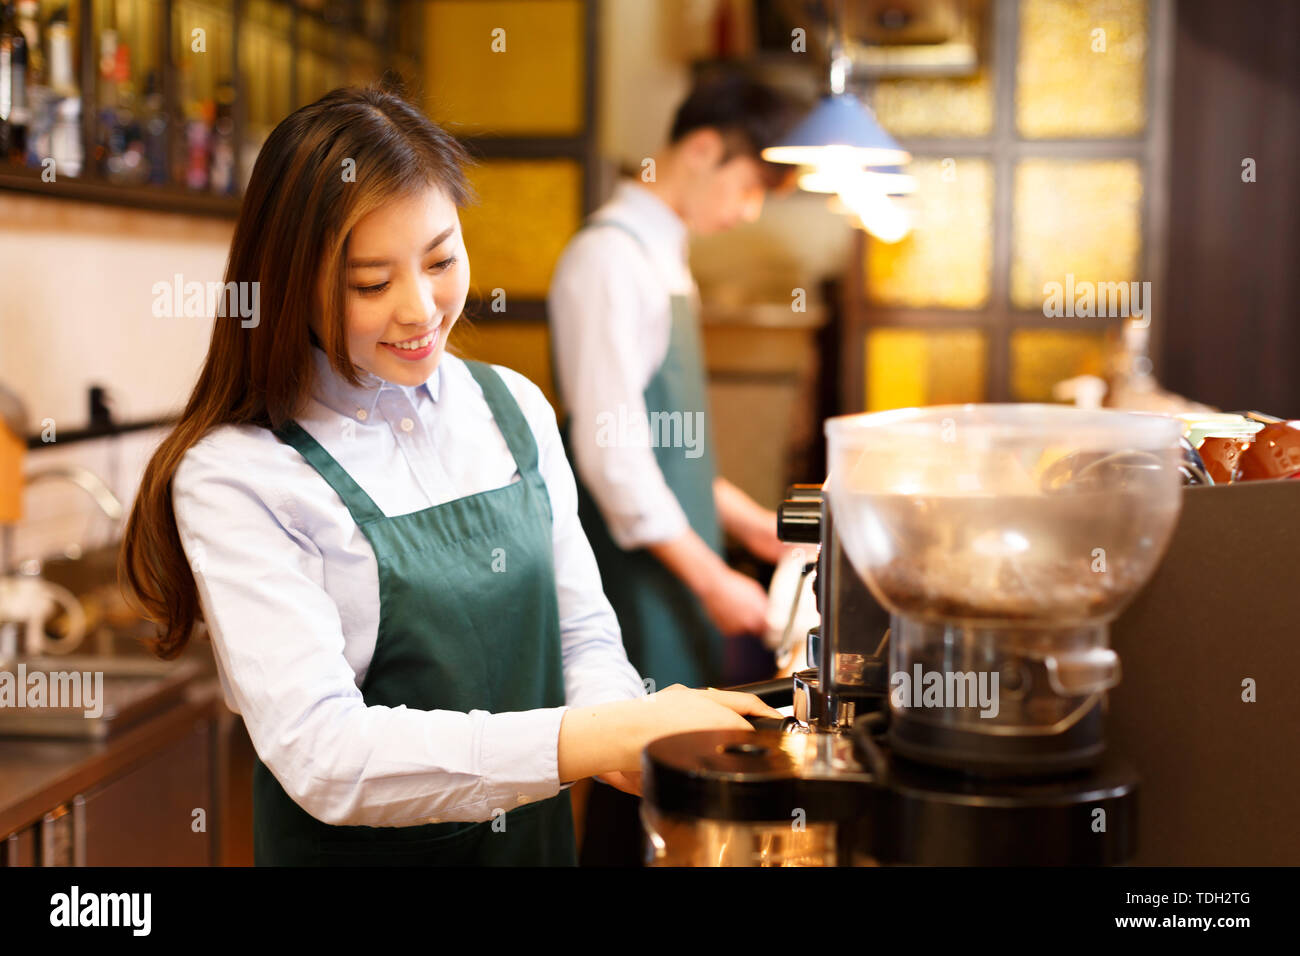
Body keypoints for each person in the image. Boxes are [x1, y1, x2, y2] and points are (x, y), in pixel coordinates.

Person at [120, 86, 780, 867]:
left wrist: (616, 729)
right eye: (371, 282)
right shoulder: (239, 474)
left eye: (441, 259)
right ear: (293, 281)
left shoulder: (514, 409)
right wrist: (584, 737)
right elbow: (326, 756)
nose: (420, 307)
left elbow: (581, 630)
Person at [547, 70, 801, 865]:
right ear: (701, 148)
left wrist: (749, 523)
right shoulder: (608, 260)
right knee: (637, 769)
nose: (749, 210)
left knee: (673, 771)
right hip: (636, 573)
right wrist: (713, 578)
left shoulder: (666, 256)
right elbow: (614, 457)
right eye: (752, 185)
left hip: (672, 566)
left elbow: (671, 447)